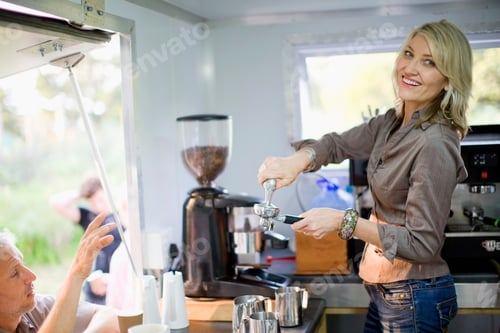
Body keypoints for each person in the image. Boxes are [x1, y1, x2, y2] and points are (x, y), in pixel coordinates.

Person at [257, 20, 471, 332]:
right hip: (386, 293)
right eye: (408, 54)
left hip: (414, 297)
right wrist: (296, 162)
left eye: (429, 62)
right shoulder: (390, 123)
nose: (410, 68)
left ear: (448, 80)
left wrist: (343, 222)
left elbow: (422, 243)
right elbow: (337, 144)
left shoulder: (434, 143)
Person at [0, 213, 120, 333]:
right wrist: (75, 275)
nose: (32, 276)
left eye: (23, 263)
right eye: (14, 273)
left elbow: (110, 315)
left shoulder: (33, 309)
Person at [49, 176, 124, 305]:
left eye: (100, 199)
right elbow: (56, 202)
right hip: (94, 287)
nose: (98, 206)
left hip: (118, 283)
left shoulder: (123, 216)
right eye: (93, 203)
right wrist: (81, 193)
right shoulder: (87, 217)